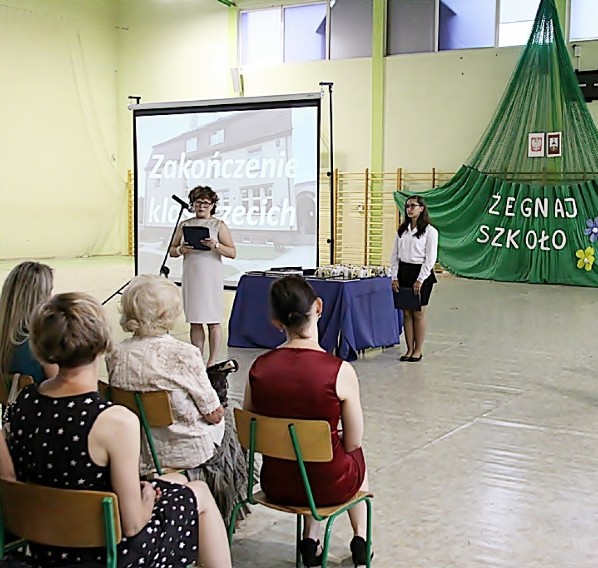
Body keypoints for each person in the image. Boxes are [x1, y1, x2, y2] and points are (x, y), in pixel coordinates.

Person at [0, 292, 231, 567]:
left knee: (179, 482)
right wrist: (146, 499)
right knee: (201, 494)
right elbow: (133, 524)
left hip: (45, 542)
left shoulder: (23, 404)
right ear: (102, 344)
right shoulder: (115, 421)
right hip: (106, 551)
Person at [244, 276, 371, 567]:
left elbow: (250, 430)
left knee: (301, 451)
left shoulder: (259, 368)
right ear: (318, 307)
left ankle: (310, 538)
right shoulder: (339, 370)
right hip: (328, 486)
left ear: (276, 322)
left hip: (276, 482)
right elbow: (353, 441)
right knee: (351, 452)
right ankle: (361, 537)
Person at [106, 274, 249, 521]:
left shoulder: (116, 354)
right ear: (168, 313)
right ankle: (227, 508)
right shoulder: (184, 354)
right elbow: (213, 414)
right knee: (231, 417)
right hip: (183, 451)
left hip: (139, 450)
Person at [169, 185, 236, 367]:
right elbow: (172, 251)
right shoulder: (185, 225)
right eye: (198, 202)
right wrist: (181, 250)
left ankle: (212, 360)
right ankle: (198, 358)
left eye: (206, 202)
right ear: (193, 204)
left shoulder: (218, 225)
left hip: (211, 277)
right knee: (195, 320)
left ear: (212, 205)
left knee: (213, 321)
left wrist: (216, 245)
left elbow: (232, 252)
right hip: (192, 276)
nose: (202, 206)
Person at [390, 195, 439, 362]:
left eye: (413, 206)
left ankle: (418, 349)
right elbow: (394, 255)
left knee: (418, 313)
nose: (409, 209)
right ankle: (409, 349)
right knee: (406, 313)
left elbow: (430, 258)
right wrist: (394, 276)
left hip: (421, 273)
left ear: (421, 208)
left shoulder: (430, 231)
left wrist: (420, 279)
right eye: (407, 206)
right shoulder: (402, 230)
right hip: (404, 272)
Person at [0, 261, 58, 384]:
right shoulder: (39, 341)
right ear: (38, 298)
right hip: (41, 402)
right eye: (49, 292)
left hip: (14, 402)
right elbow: (65, 384)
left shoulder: (7, 337)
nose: (51, 298)